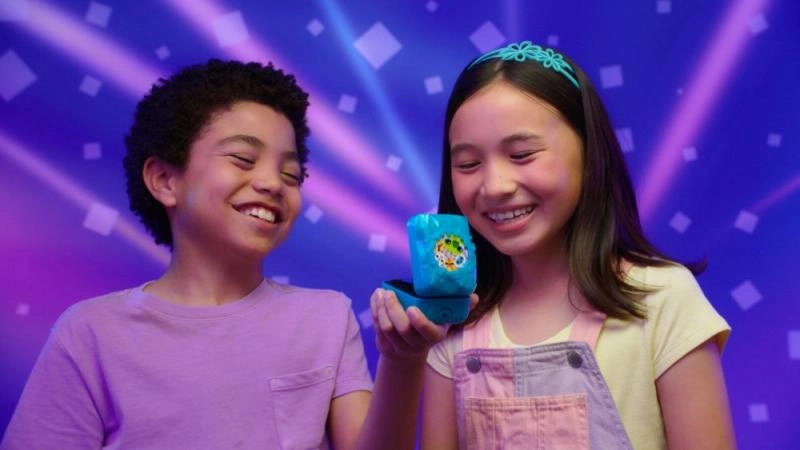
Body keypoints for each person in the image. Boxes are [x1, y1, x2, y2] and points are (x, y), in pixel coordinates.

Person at [1, 59, 445, 449]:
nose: (272, 183)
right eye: (243, 159)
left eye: (291, 174)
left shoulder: (327, 318)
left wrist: (401, 361)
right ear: (165, 181)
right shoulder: (90, 333)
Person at [418, 41, 736, 449]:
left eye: (522, 154)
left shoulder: (662, 298)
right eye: (468, 164)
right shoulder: (455, 324)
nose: (494, 186)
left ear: (589, 152)